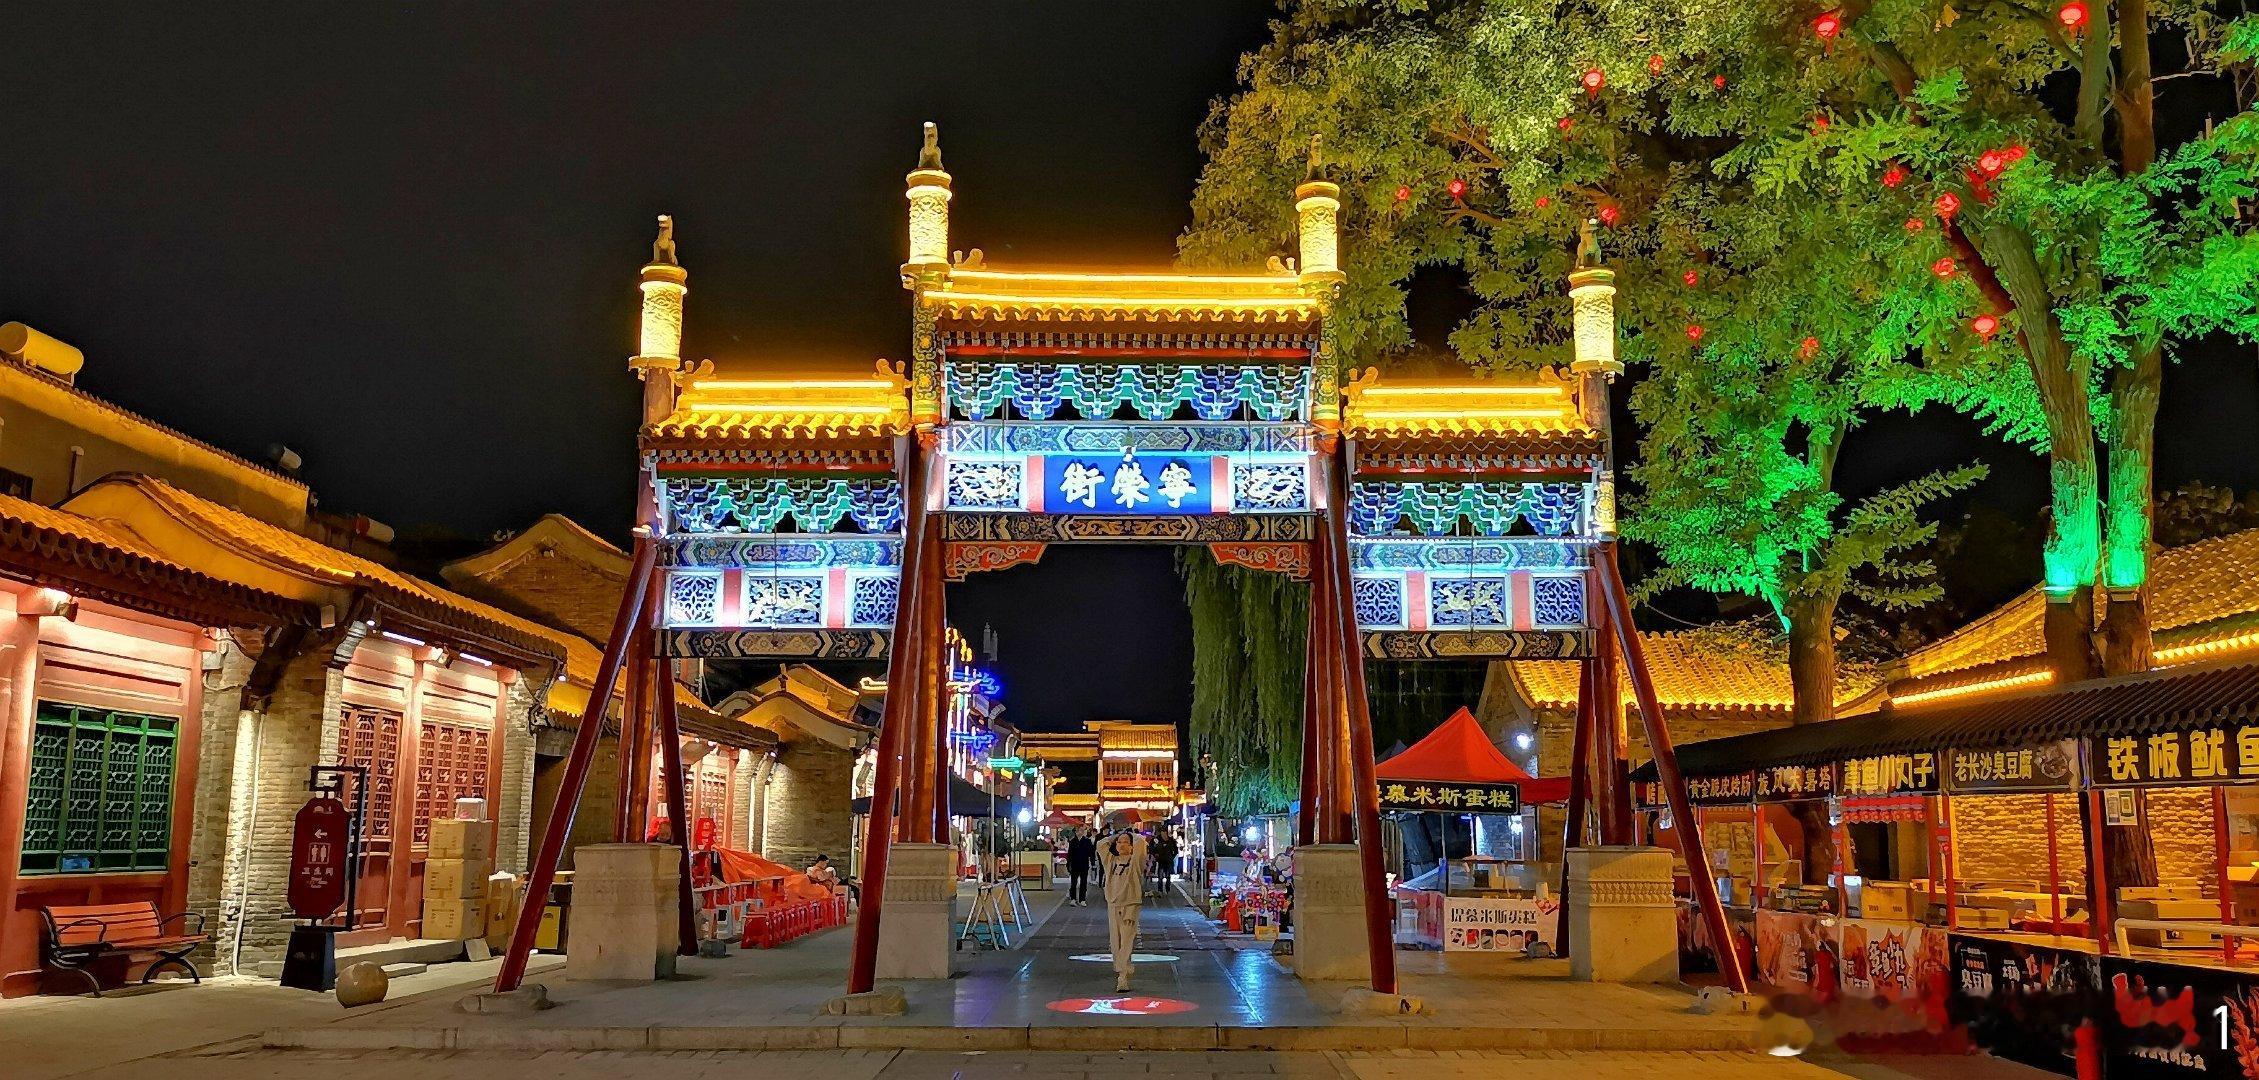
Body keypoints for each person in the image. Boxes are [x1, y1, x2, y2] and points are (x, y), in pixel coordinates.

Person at [1099, 825, 1149, 993]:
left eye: (1125, 842)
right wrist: (1114, 836)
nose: (1121, 845)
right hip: (1113, 903)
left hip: (1130, 904)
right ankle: (1122, 970)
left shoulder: (1135, 862)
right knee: (1116, 941)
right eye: (1119, 842)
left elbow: (1141, 843)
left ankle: (1123, 975)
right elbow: (1100, 845)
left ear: (1131, 846)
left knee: (1127, 940)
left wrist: (1131, 834)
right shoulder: (1111, 861)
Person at [1066, 829, 1097, 906]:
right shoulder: (1072, 841)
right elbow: (1069, 854)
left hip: (1084, 864)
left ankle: (1082, 899)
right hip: (1074, 864)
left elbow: (1091, 853)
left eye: (1080, 831)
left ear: (1083, 832)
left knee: (1083, 882)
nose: (1079, 832)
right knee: (1073, 883)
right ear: (1075, 832)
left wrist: (1093, 862)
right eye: (1077, 831)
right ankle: (1073, 899)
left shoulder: (1087, 841)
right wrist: (1068, 864)